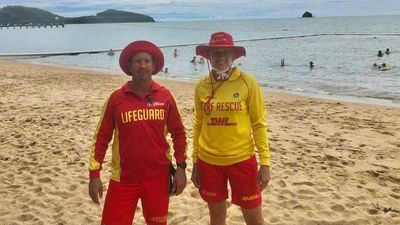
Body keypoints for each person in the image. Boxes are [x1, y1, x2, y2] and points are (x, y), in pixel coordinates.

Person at [88, 40, 187, 225]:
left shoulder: (165, 96)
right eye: (137, 62)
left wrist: (181, 168)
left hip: (158, 178)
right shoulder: (116, 98)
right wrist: (94, 175)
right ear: (129, 67)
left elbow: (179, 133)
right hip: (123, 179)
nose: (143, 65)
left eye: (147, 61)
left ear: (154, 65)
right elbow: (101, 138)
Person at [191, 31, 271, 225]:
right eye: (216, 53)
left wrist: (265, 163)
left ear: (233, 56)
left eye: (225, 52)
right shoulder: (201, 86)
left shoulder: (247, 82)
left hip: (242, 160)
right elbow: (198, 125)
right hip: (208, 162)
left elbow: (258, 124)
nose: (221, 58)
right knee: (217, 220)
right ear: (209, 56)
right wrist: (195, 163)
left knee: (254, 220)